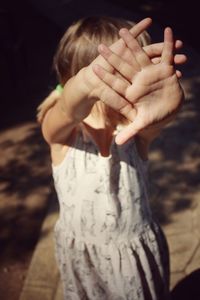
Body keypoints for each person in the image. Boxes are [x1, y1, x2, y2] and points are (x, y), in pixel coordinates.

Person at [37, 16, 186, 300]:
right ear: (72, 76)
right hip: (85, 262)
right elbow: (63, 115)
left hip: (134, 260)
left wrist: (169, 109)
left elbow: (153, 122)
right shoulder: (65, 132)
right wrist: (82, 87)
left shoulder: (135, 131)